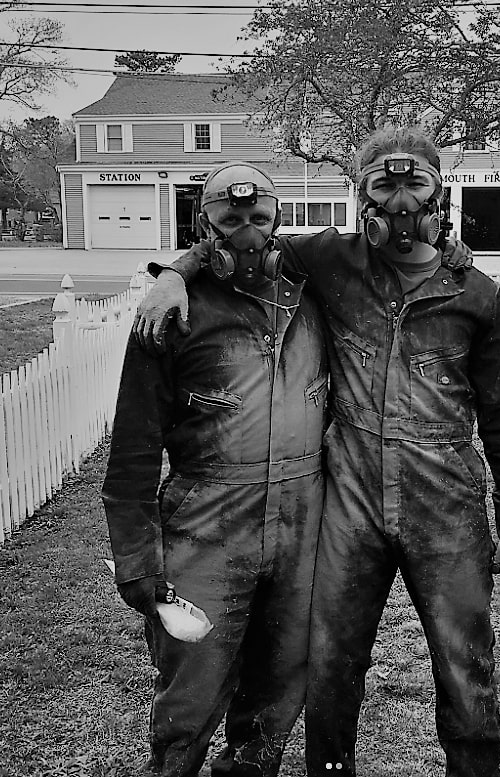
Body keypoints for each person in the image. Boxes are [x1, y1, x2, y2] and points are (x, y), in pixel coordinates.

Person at [135, 127, 500, 777]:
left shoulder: (475, 293)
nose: (401, 200)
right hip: (348, 503)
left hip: (445, 501)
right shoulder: (327, 260)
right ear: (361, 198)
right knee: (332, 663)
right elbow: (241, 241)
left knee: (464, 660)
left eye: (415, 184)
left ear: (439, 193)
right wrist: (172, 274)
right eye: (384, 184)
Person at [102, 162, 327, 776]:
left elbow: (383, 255)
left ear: (280, 217)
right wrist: (136, 558)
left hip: (303, 522)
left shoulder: (313, 295)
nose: (246, 228)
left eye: (259, 215)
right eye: (230, 216)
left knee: (277, 695)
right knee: (189, 699)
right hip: (207, 522)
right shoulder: (170, 315)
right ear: (206, 220)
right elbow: (133, 453)